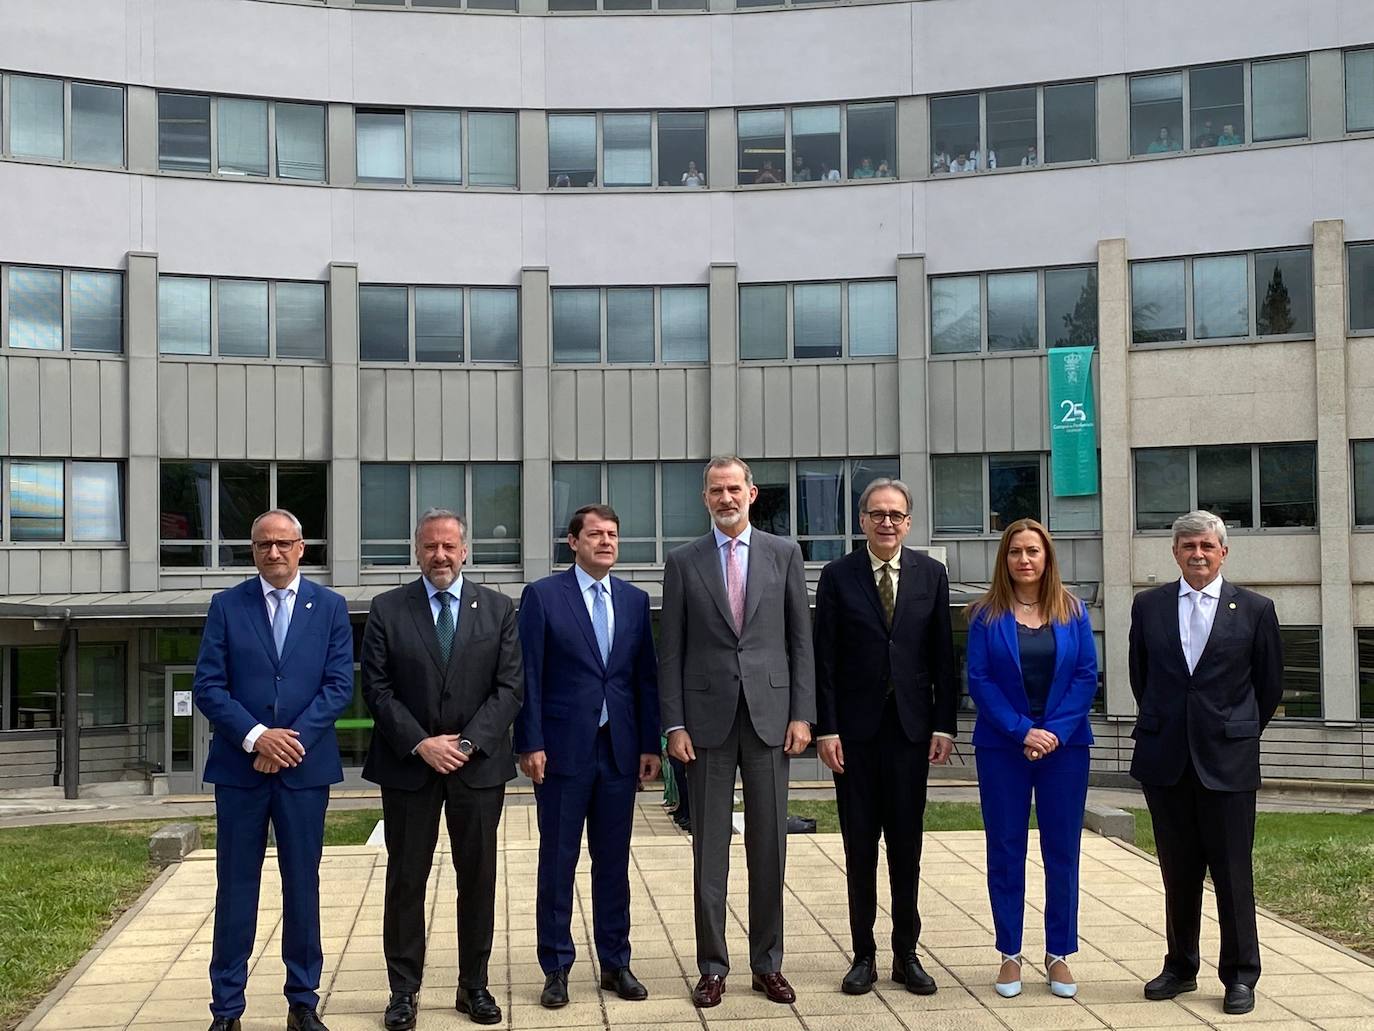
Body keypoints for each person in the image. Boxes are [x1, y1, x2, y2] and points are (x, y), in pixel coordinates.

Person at [660, 456, 815, 1009]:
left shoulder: (785, 554)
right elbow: (671, 650)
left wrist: (803, 714)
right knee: (710, 850)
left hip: (772, 719)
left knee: (769, 846)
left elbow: (801, 640)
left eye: (734, 488)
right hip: (705, 725)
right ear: (705, 498)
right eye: (715, 490)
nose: (726, 498)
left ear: (752, 493)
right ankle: (712, 966)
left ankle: (767, 964)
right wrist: (673, 723)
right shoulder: (682, 562)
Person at [361, 509, 524, 1031]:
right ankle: (403, 991)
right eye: (431, 546)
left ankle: (472, 985)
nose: (440, 555)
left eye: (449, 546)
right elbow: (377, 689)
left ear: (465, 550)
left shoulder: (498, 609)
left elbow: (510, 688)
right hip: (409, 768)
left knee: (476, 879)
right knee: (406, 881)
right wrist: (421, 743)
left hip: (478, 770)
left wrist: (470, 742)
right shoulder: (388, 609)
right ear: (417, 551)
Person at [193, 509, 354, 1031]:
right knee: (236, 886)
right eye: (264, 544)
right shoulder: (226, 606)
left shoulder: (329, 607)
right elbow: (209, 687)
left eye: (284, 543)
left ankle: (303, 1000)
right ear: (253, 550)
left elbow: (338, 686)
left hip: (303, 773)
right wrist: (257, 736)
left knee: (301, 885)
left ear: (302, 547)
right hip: (241, 772)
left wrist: (288, 743)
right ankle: (227, 1009)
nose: (275, 553)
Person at [1130, 510, 1282, 1016]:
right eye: (1188, 546)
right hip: (1166, 758)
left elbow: (1269, 686)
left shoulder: (1256, 609)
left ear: (1223, 551)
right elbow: (1141, 677)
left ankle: (1240, 975)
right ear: (1175, 553)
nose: (1197, 553)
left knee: (1233, 872)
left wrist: (1234, 732)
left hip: (1229, 760)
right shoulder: (1147, 606)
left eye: (1206, 546)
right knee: (1178, 870)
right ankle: (1180, 966)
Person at [514, 504, 661, 1009]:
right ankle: (556, 967)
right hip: (559, 753)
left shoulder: (635, 601)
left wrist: (648, 745)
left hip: (619, 751)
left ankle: (616, 962)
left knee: (613, 863)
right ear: (572, 542)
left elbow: (644, 679)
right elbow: (527, 675)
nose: (606, 541)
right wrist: (528, 742)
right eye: (595, 534)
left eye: (613, 534)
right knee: (558, 861)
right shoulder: (542, 596)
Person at [814, 479, 956, 997]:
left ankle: (906, 955)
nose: (887, 523)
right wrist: (825, 728)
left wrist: (944, 724)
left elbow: (944, 655)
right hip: (853, 735)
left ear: (909, 522)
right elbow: (823, 659)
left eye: (896, 515)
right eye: (877, 515)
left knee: (906, 847)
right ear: (862, 521)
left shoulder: (931, 575)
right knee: (859, 849)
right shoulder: (836, 576)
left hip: (912, 733)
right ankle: (863, 956)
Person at [965, 519, 1098, 1001]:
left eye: (1033, 551)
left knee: (1061, 851)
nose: (1025, 559)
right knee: (1005, 849)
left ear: (1047, 558)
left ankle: (1059, 953)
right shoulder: (985, 615)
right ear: (1005, 559)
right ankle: (1009, 952)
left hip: (1065, 749)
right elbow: (979, 681)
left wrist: (1052, 734)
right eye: (1016, 551)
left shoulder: (1073, 611)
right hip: (1003, 748)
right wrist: (1024, 731)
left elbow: (1086, 676)